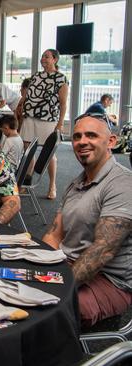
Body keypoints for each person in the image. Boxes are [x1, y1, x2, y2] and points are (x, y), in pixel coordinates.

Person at [42, 113, 132, 327]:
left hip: (108, 281)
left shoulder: (122, 184)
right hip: (68, 265)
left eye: (91, 135)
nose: (82, 142)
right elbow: (55, 234)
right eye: (77, 136)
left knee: (44, 311)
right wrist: (36, 264)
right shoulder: (77, 183)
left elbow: (103, 250)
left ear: (112, 141)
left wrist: (56, 286)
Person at [21, 49, 68, 200]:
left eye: (47, 57)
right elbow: (28, 95)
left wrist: (60, 123)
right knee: (28, 150)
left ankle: (52, 185)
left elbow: (63, 104)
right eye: (42, 56)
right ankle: (27, 180)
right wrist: (21, 106)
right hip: (30, 117)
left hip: (48, 119)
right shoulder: (36, 75)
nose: (43, 59)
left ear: (55, 59)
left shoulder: (61, 78)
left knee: (49, 153)